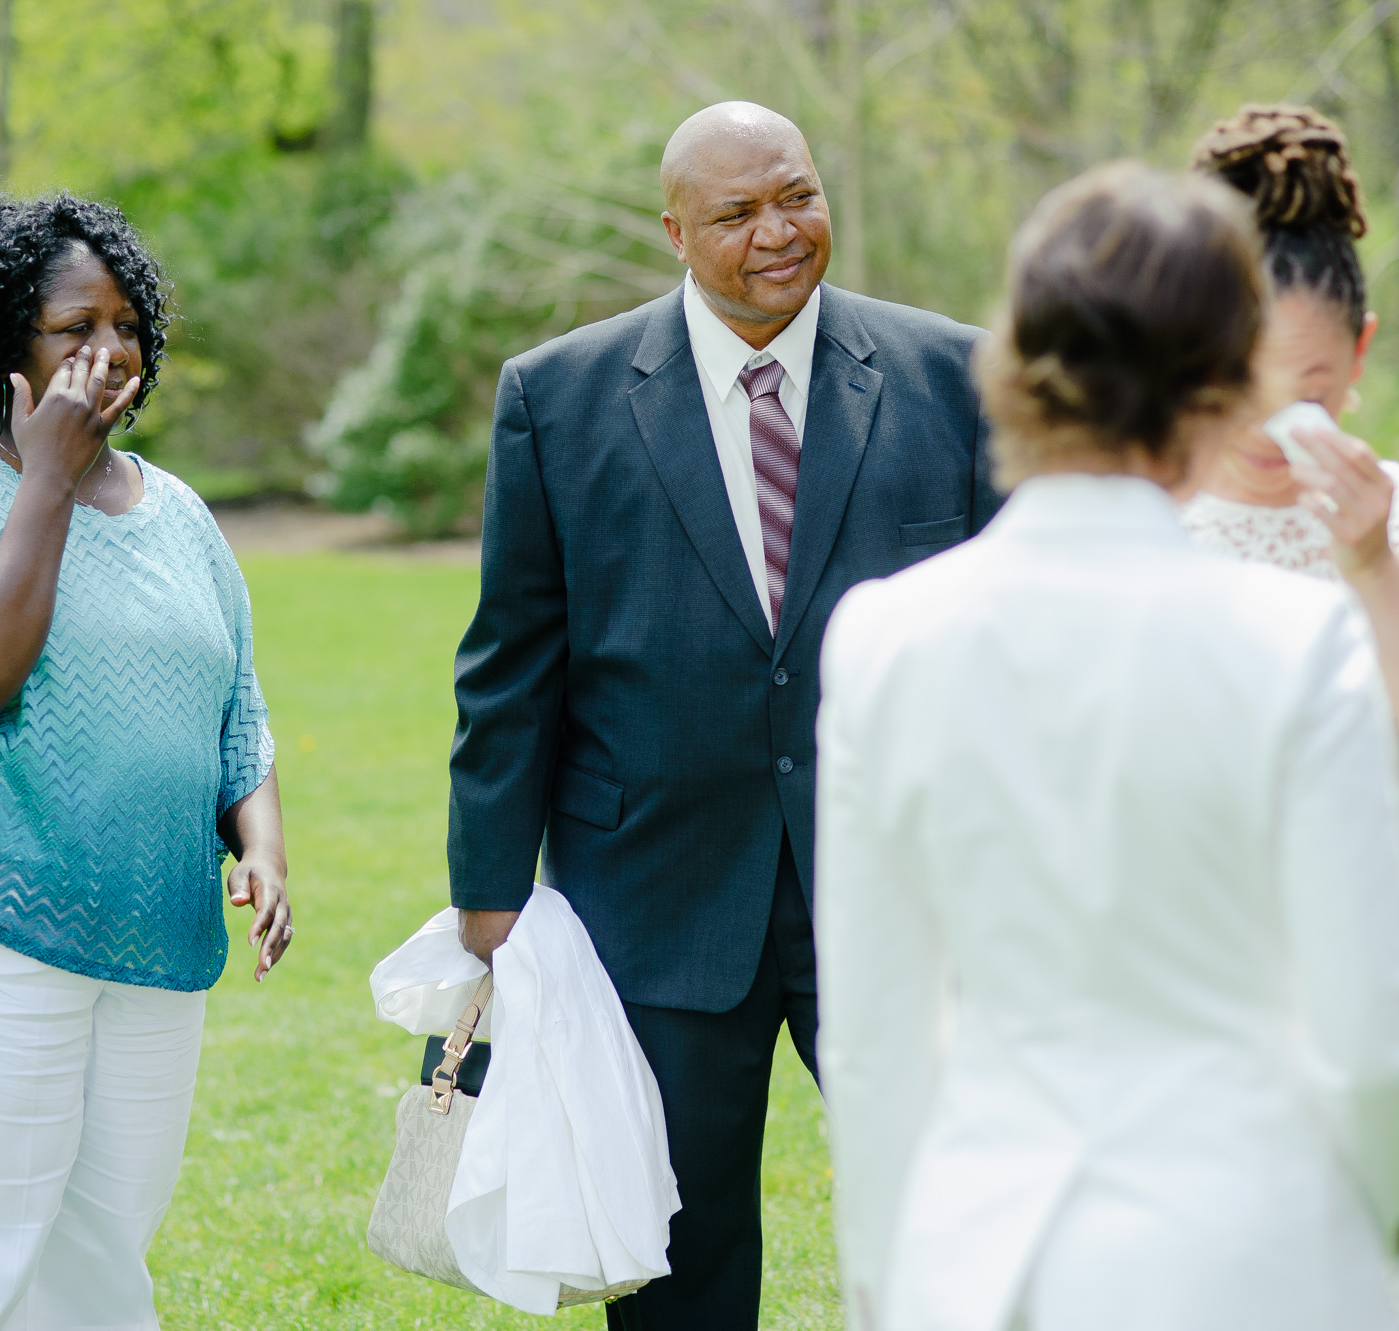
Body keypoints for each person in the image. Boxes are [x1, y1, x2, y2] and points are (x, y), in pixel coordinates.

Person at [815, 162, 1399, 1331]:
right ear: (1221, 381)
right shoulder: (1296, 644)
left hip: (979, 1263)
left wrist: (884, 1285)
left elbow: (872, 1038)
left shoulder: (883, 639)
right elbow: (1368, 1040)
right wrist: (1393, 1221)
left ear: (1015, 366)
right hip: (1251, 1258)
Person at [445, 101, 1001, 1329]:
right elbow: (510, 659)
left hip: (905, 887)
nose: (776, 232)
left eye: (794, 195)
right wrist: (489, 892)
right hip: (655, 887)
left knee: (951, 1220)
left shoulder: (956, 376)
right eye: (736, 213)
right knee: (678, 1256)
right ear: (674, 233)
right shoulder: (558, 395)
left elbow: (1012, 638)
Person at [0, 192, 289, 1331]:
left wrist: (262, 844)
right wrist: (45, 476)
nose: (109, 350)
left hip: (147, 936)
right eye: (74, 328)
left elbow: (236, 704)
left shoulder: (178, 512)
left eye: (126, 324)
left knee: (99, 1267)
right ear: (2, 344)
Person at [1185, 103, 1399, 1331]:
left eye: (1312, 389)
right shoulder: (1120, 520)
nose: (1274, 431)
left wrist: (1371, 566)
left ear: (1364, 352)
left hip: (1378, 994)